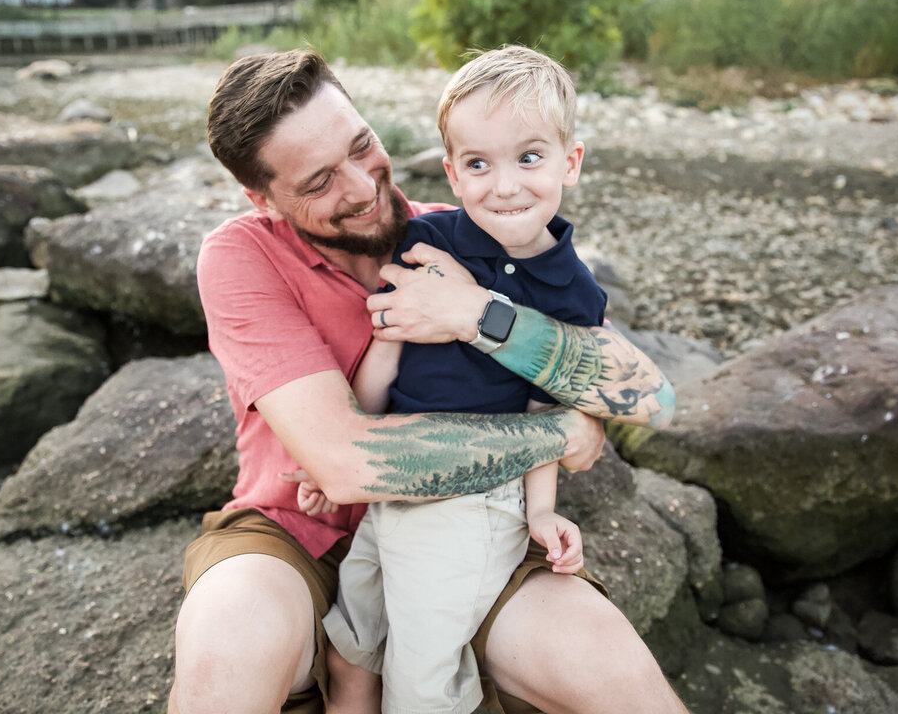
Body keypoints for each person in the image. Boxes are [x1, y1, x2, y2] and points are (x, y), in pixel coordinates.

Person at [171, 47, 685, 714]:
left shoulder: (469, 229)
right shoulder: (241, 255)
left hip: (466, 526)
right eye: (319, 182)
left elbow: (648, 396)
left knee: (619, 679)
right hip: (297, 534)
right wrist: (555, 432)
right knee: (225, 649)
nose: (360, 187)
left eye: (362, 146)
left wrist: (476, 313)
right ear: (263, 199)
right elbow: (348, 466)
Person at [296, 46, 608, 714]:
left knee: (422, 682)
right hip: (392, 484)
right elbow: (384, 353)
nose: (504, 186)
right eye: (478, 164)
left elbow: (543, 411)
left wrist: (543, 511)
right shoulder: (426, 239)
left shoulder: (575, 295)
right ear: (451, 173)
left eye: (530, 157)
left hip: (471, 502)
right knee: (352, 642)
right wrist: (339, 453)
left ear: (570, 163)